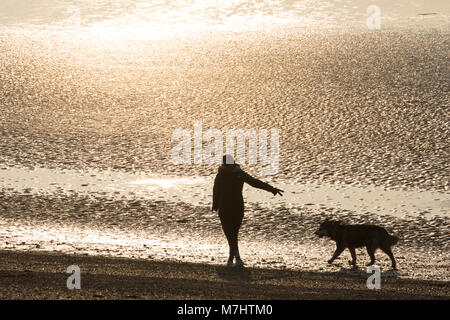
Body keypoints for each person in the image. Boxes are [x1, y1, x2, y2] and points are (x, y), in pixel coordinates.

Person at [212, 154, 283, 267]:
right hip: (227, 207)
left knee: (233, 232)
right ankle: (235, 257)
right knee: (231, 233)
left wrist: (272, 189)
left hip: (233, 206)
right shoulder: (225, 175)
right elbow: (216, 190)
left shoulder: (234, 174)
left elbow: (254, 182)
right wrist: (215, 205)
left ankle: (233, 257)